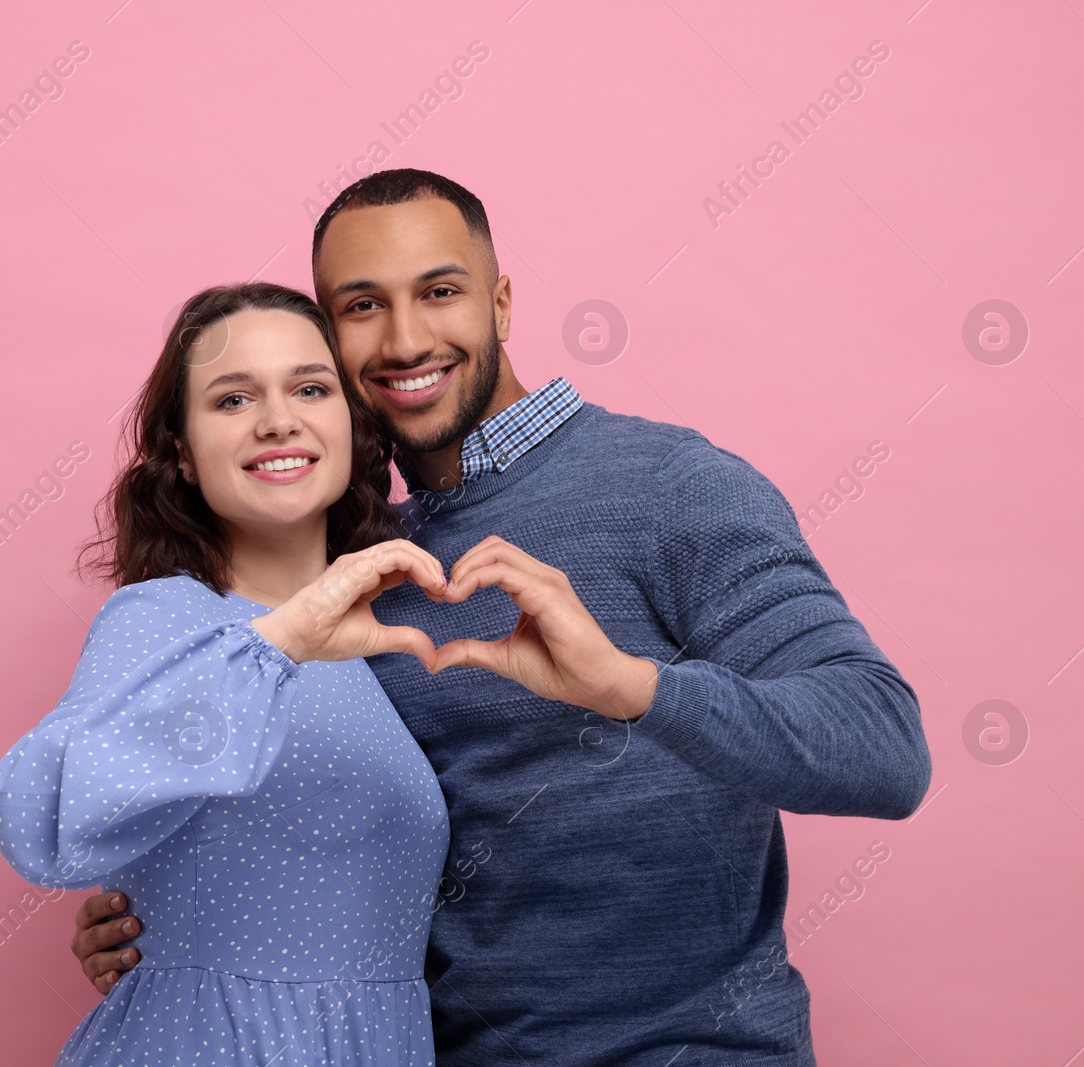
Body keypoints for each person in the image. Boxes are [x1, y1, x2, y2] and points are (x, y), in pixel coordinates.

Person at [66, 170, 935, 1065]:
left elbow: (885, 748)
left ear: (502, 303)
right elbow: (329, 813)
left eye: (440, 292)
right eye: (363, 306)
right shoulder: (358, 571)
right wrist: (172, 922)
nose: (406, 340)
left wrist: (632, 688)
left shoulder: (675, 488)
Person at [0, 281, 456, 1065]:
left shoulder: (383, 646)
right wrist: (280, 639)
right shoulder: (166, 617)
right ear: (180, 450)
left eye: (310, 387)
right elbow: (40, 812)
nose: (278, 419)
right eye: (233, 399)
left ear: (352, 422)